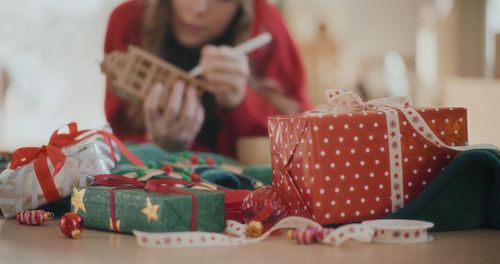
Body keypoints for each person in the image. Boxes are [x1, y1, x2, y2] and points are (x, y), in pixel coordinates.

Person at [104, 0, 311, 158]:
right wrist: (156, 146)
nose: (198, 9)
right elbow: (119, 136)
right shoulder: (129, 22)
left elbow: (303, 141)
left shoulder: (267, 25)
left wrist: (241, 102)